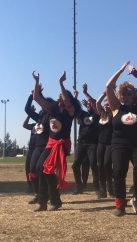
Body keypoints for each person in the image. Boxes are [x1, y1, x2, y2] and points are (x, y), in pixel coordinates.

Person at [105, 61, 137, 216]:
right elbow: (108, 87)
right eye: (123, 93)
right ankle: (120, 205)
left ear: (134, 95)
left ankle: (136, 198)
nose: (125, 96)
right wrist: (120, 70)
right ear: (120, 95)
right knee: (118, 172)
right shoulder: (116, 108)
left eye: (128, 93)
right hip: (119, 144)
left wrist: (136, 74)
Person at [32, 71, 80, 211]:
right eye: (59, 95)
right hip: (51, 143)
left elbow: (67, 101)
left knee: (43, 168)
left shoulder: (70, 111)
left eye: (63, 96)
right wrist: (36, 81)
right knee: (42, 169)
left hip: (61, 144)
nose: (60, 97)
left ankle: (47, 201)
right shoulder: (53, 109)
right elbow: (36, 98)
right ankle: (51, 201)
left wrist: (61, 83)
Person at [72, 84, 100, 195]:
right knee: (75, 165)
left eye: (90, 103)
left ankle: (97, 187)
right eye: (87, 103)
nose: (89, 104)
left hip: (93, 144)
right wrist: (75, 95)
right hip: (81, 143)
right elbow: (74, 108)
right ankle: (79, 186)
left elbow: (94, 102)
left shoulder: (97, 114)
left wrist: (86, 93)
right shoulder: (82, 114)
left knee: (93, 164)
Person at [24, 89, 50, 204]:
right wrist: (31, 95)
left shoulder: (51, 116)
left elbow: (44, 102)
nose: (41, 107)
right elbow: (26, 109)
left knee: (42, 171)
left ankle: (46, 193)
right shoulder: (39, 118)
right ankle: (37, 194)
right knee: (32, 170)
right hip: (37, 148)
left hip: (47, 147)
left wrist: (40, 95)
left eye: (44, 105)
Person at [95, 92, 114, 197]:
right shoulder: (101, 114)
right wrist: (104, 93)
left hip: (110, 144)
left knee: (107, 164)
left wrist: (112, 94)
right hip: (100, 143)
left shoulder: (114, 114)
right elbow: (97, 103)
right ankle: (102, 190)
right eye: (105, 104)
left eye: (108, 104)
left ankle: (110, 187)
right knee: (100, 165)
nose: (106, 106)